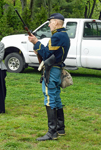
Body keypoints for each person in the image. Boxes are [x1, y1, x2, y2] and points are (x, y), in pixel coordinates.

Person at [28, 13, 70, 141]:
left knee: (49, 97)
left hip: (52, 70)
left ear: (57, 22)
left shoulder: (57, 36)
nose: (49, 24)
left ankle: (52, 132)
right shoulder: (63, 35)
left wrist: (36, 42)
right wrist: (38, 46)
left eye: (51, 22)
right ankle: (60, 128)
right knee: (56, 97)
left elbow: (46, 54)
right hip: (57, 69)